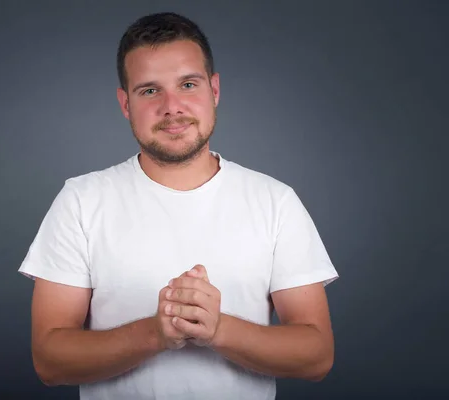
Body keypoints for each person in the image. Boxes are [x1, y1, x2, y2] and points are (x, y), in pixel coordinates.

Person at [18, 11, 339, 400]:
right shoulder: (81, 201)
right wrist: (155, 333)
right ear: (125, 103)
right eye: (150, 90)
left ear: (214, 90)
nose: (172, 106)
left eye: (188, 84)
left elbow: (316, 355)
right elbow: (50, 361)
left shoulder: (275, 202)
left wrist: (218, 329)